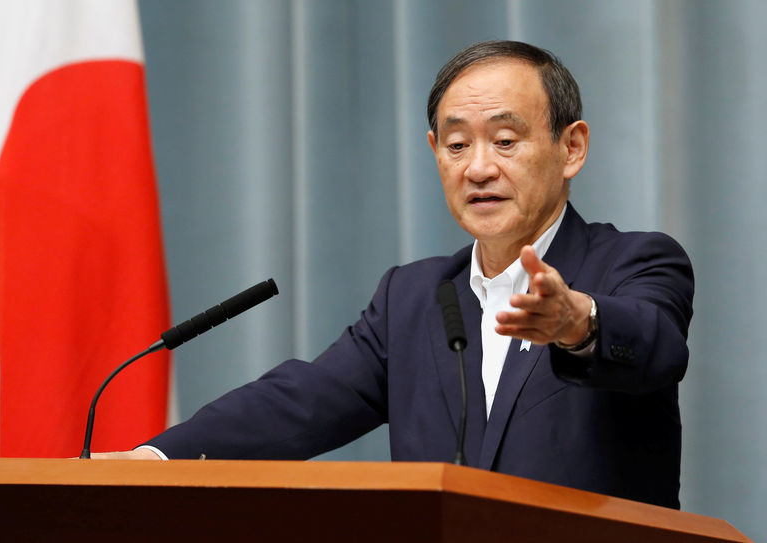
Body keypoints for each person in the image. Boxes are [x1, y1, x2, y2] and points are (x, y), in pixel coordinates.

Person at [95, 40, 693, 509]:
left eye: (505, 140)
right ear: (435, 151)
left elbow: (655, 343)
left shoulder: (635, 262)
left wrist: (578, 322)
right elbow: (302, 402)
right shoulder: (415, 298)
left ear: (572, 148)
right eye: (457, 145)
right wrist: (156, 458)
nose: (479, 167)